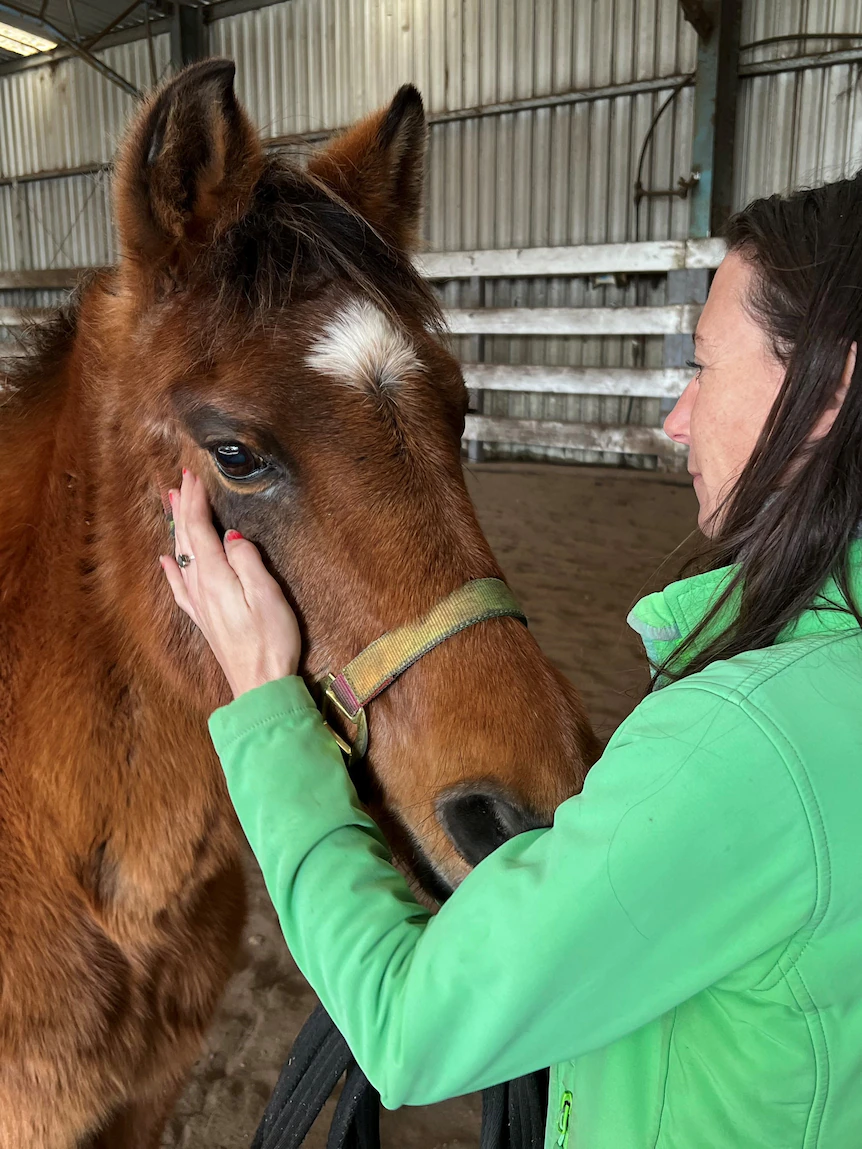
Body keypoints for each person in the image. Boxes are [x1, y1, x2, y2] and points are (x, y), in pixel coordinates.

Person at [159, 175, 862, 1148]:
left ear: (827, 391)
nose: (677, 420)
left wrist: (265, 701)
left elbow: (408, 1034)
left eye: (702, 368)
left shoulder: (752, 737)